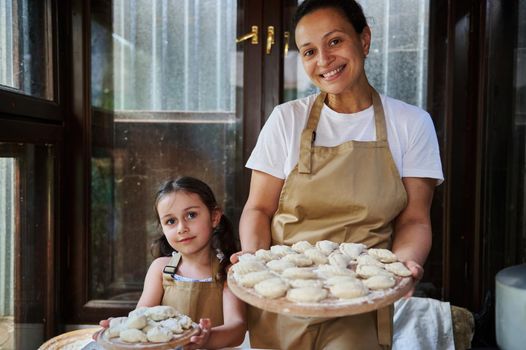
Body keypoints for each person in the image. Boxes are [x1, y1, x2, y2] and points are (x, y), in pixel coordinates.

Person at [235, 0, 444, 349]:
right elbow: (258, 209)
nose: (324, 60)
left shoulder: (410, 124)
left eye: (335, 42)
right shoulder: (287, 120)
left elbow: (415, 218)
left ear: (364, 40)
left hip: (361, 296)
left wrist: (405, 265)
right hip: (285, 296)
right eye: (309, 51)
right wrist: (256, 265)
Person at [103, 177, 246, 349]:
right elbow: (140, 318)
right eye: (171, 221)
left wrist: (207, 339)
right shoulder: (160, 269)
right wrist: (120, 328)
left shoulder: (229, 271)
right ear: (162, 227)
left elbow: (237, 328)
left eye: (191, 215)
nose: (181, 228)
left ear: (214, 217)